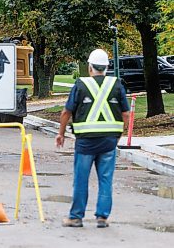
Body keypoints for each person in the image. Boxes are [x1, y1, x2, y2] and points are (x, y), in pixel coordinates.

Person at [56, 48, 130, 228]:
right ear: (106, 67)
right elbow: (126, 113)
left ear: (90, 67)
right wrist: (120, 134)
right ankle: (102, 217)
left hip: (85, 143)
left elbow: (67, 111)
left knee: (81, 179)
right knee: (105, 180)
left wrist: (61, 133)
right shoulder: (117, 84)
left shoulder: (80, 85)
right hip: (108, 142)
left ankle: (76, 217)